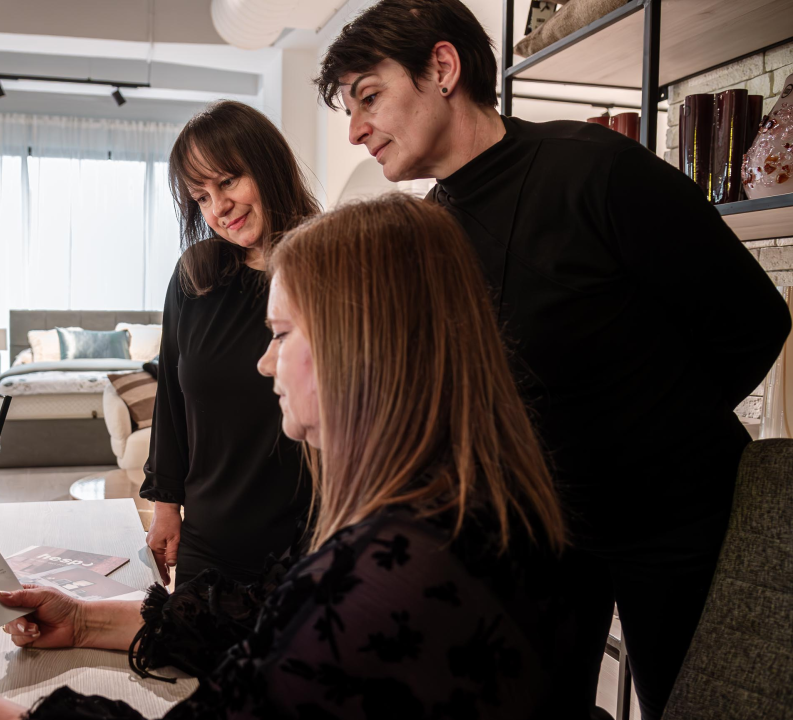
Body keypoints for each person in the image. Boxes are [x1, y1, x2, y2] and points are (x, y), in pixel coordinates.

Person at [0, 195, 595, 719]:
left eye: (281, 332)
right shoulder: (474, 509)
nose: (264, 363)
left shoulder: (384, 582)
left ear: (360, 348)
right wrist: (84, 619)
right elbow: (258, 616)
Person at [314, 2, 793, 718]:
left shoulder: (595, 170)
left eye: (369, 97)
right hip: (540, 530)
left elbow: (752, 323)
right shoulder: (432, 231)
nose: (356, 132)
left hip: (682, 525)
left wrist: (653, 437)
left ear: (442, 69)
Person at [142, 100, 317, 587]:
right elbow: (171, 400)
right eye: (199, 197)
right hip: (209, 539)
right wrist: (165, 506)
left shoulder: (333, 265)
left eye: (228, 182)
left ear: (268, 164)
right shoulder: (197, 275)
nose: (217, 209)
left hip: (308, 541)